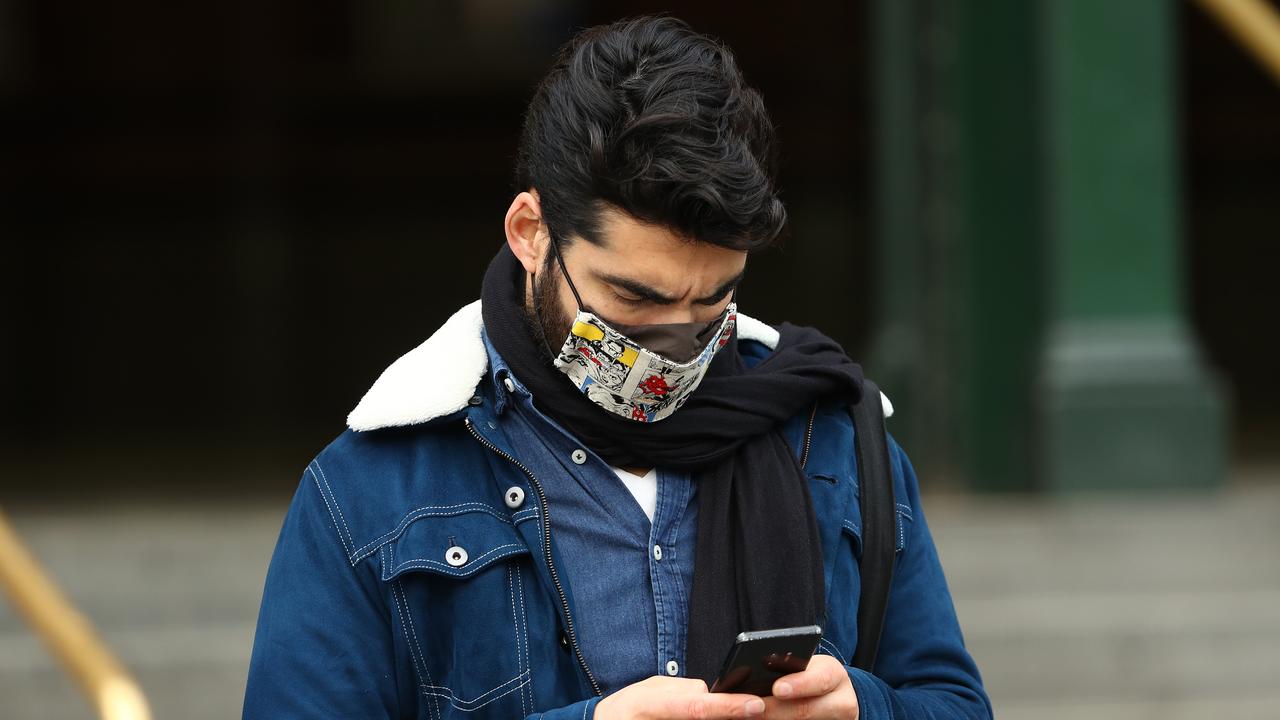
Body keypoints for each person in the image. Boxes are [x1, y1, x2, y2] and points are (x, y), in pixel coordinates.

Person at [243, 15, 991, 720]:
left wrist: (861, 706)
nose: (674, 343)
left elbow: (955, 703)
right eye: (633, 297)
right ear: (531, 233)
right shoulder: (370, 493)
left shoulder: (836, 438)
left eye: (714, 299)